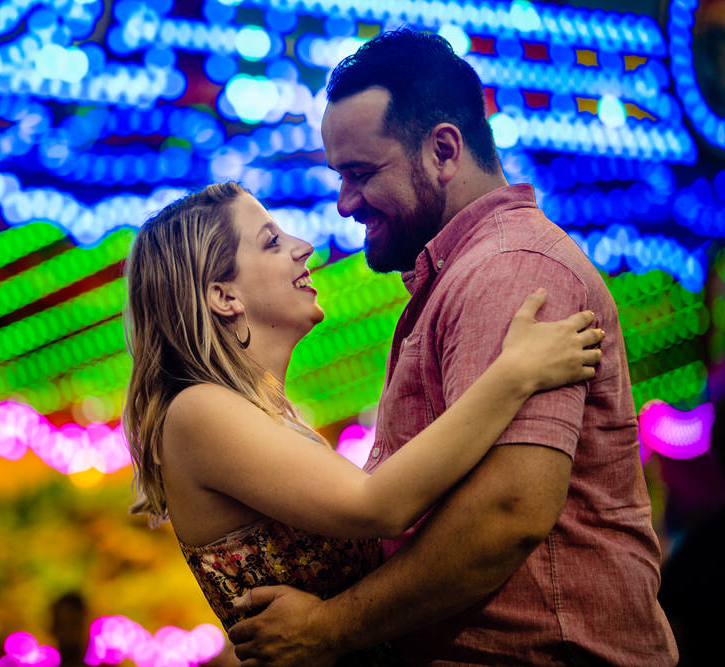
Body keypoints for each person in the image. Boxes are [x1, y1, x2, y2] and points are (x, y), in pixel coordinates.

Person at [227, 29, 678, 665]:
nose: (344, 202)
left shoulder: (508, 270)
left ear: (443, 149)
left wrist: (328, 629)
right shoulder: (465, 273)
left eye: (361, 173)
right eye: (339, 176)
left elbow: (509, 510)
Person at [122, 180, 604, 664]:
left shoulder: (256, 413)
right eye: (271, 241)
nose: (303, 247)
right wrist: (514, 375)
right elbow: (379, 505)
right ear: (223, 296)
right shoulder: (197, 410)